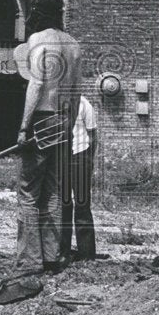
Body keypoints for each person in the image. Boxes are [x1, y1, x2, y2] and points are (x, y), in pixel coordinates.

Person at [16, 0, 81, 274]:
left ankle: (29, 260)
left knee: (28, 190)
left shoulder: (38, 40)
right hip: (65, 118)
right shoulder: (73, 45)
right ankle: (52, 256)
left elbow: (36, 85)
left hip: (41, 116)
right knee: (54, 189)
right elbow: (77, 91)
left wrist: (23, 126)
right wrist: (70, 123)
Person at [61, 94, 97, 261]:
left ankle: (87, 254)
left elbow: (93, 136)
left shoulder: (84, 104)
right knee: (63, 204)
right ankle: (63, 251)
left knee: (82, 204)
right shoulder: (54, 101)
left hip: (80, 156)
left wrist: (89, 161)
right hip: (61, 157)